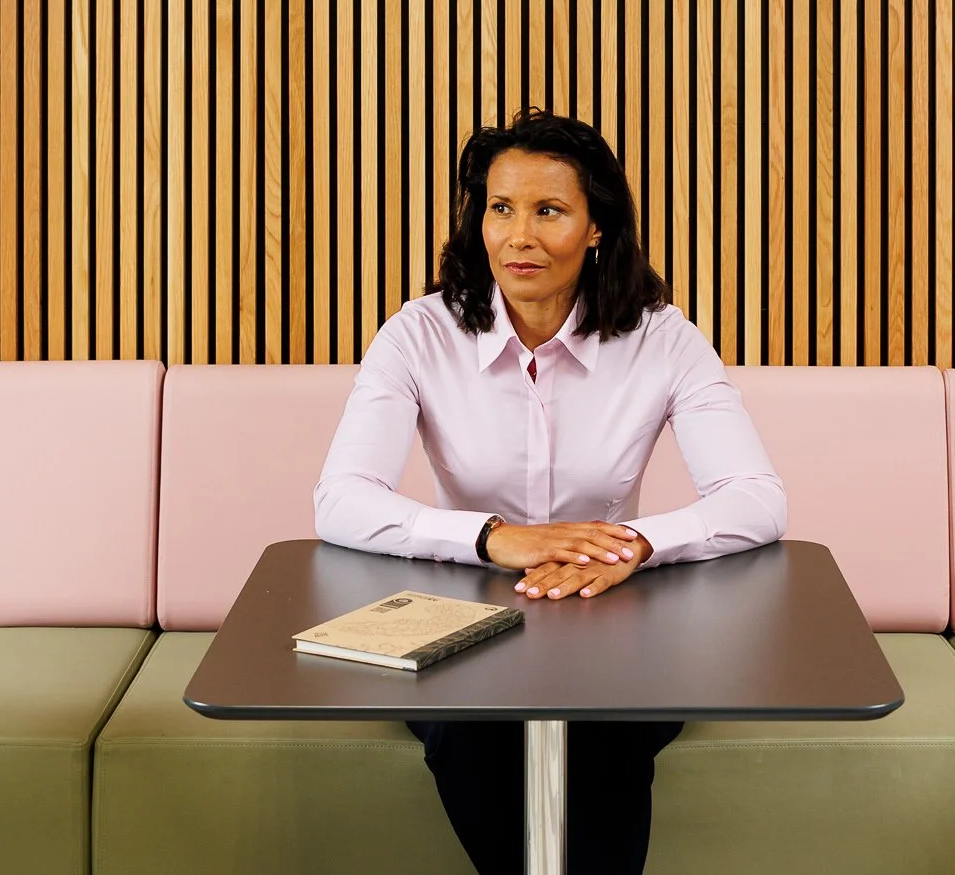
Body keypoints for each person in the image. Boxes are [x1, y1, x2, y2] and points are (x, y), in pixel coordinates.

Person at [313, 108, 787, 875]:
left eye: (549, 210)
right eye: (500, 208)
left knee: (610, 736)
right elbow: (340, 498)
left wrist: (636, 542)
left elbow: (757, 497)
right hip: (461, 617)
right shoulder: (418, 334)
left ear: (597, 226)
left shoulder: (663, 338)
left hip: (616, 616)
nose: (518, 235)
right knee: (468, 738)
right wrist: (495, 535)